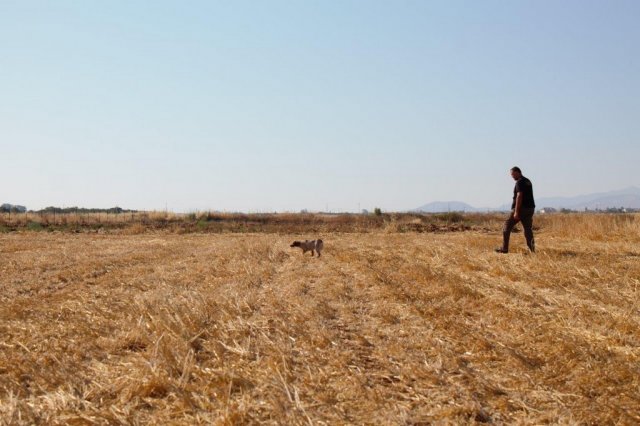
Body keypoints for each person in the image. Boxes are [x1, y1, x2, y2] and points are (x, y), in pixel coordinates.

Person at [495, 166, 535, 253]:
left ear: (518, 172)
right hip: (530, 208)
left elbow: (519, 196)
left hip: (521, 209)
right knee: (528, 229)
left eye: (513, 174)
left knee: (507, 226)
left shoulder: (519, 182)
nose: (512, 176)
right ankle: (532, 250)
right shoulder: (527, 181)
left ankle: (504, 248)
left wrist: (516, 212)